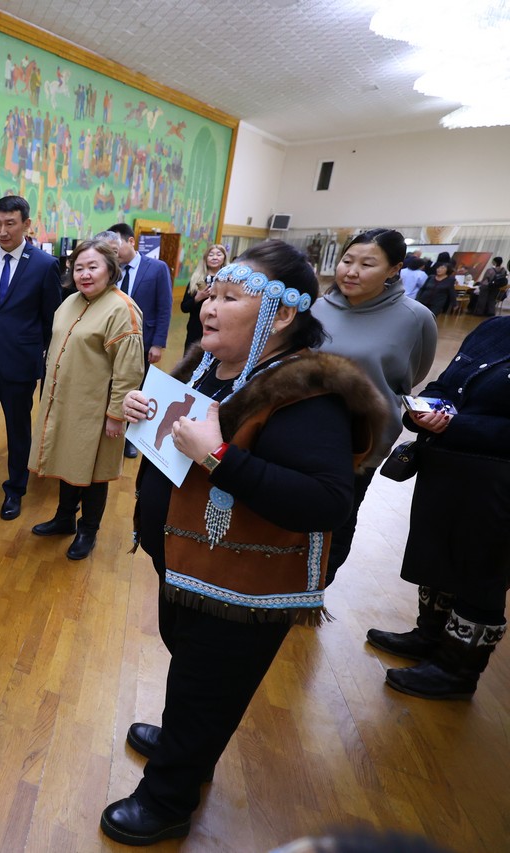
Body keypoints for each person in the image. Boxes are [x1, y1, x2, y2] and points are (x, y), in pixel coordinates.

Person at [107, 240, 387, 845]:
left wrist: (218, 456)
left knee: (207, 685)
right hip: (189, 564)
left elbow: (326, 500)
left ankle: (167, 799)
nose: (209, 305)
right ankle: (189, 745)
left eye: (231, 297)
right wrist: (142, 410)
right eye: (212, 293)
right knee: (191, 668)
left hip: (241, 587)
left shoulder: (307, 393)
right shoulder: (214, 367)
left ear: (281, 314)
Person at [366, 317, 510, 700]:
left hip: (498, 482)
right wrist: (424, 407)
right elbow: (447, 383)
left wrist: (454, 426)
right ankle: (430, 637)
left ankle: (456, 671)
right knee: (440, 556)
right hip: (450, 471)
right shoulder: (495, 328)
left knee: (481, 575)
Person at [312, 229, 437, 580]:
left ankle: (316, 588)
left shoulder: (415, 317)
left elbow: (415, 372)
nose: (351, 271)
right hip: (305, 431)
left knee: (339, 518)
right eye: (347, 260)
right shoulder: (318, 307)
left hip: (361, 440)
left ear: (394, 269)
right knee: (294, 510)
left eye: (367, 264)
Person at [29, 239, 145, 560]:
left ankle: (88, 530)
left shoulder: (121, 309)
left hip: (97, 410)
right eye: (78, 267)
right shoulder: (70, 302)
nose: (85, 274)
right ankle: (64, 517)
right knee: (68, 459)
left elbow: (129, 370)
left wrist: (116, 415)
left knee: (94, 472)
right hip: (65, 403)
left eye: (93, 267)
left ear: (110, 269)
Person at [0, 196, 61, 517]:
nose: (3, 231)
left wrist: (35, 354)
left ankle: (15, 490)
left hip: (20, 363)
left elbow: (51, 321)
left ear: (26, 224)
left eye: (10, 223)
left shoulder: (45, 265)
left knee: (18, 431)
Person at [105, 223, 174, 458]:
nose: (113, 253)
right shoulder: (110, 269)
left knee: (137, 391)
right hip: (113, 341)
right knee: (114, 387)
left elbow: (164, 307)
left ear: (131, 241)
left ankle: (130, 439)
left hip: (143, 342)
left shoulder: (157, 268)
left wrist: (158, 343)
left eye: (117, 247)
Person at [182, 243, 226, 353]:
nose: (215, 257)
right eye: (211, 255)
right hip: (196, 330)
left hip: (220, 329)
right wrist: (198, 298)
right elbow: (184, 307)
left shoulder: (229, 279)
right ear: (206, 258)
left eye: (218, 254)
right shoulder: (198, 280)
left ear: (224, 258)